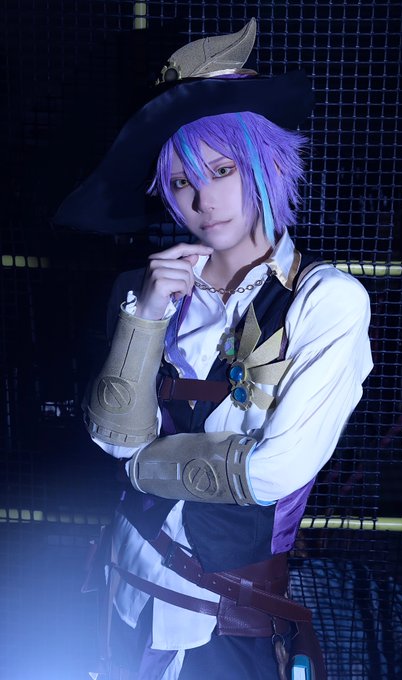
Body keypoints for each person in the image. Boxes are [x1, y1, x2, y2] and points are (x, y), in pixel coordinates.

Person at [55, 19, 373, 680]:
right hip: (117, 601)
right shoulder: (141, 289)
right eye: (180, 183)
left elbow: (273, 472)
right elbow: (111, 439)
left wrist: (140, 466)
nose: (203, 200)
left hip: (226, 621)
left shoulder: (326, 299)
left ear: (267, 164)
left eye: (222, 171)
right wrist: (145, 318)